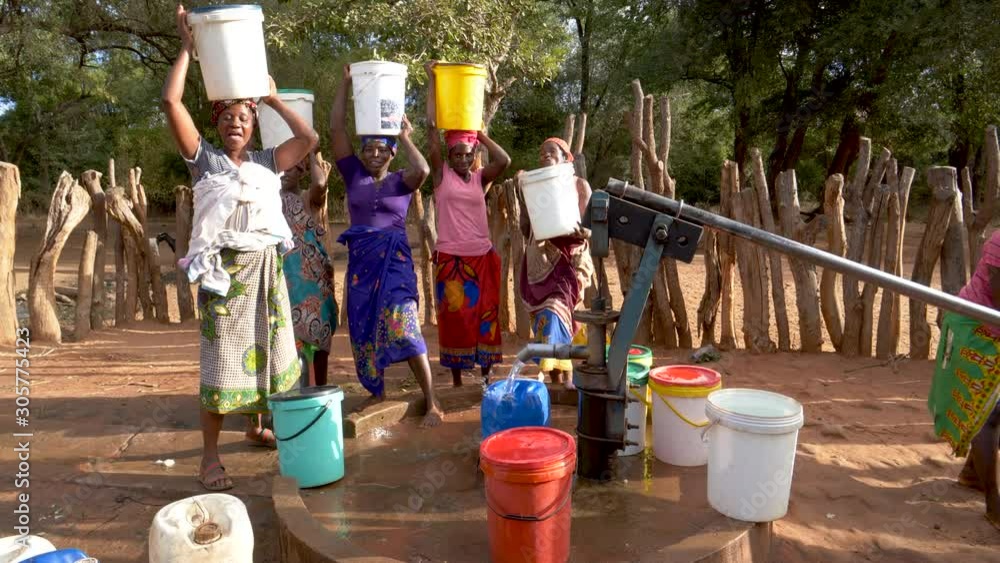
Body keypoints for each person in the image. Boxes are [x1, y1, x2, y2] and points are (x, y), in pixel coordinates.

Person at [162, 5, 318, 491]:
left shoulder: (268, 163)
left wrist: (270, 98)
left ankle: (256, 425)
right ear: (217, 124)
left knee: (270, 355)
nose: (235, 124)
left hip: (266, 273)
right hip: (225, 280)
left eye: (243, 118)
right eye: (227, 118)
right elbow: (171, 102)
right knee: (223, 362)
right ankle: (209, 458)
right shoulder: (205, 162)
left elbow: (309, 138)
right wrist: (188, 48)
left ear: (252, 127)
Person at [329, 64, 444, 428]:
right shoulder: (353, 175)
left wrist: (404, 136)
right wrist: (344, 84)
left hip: (394, 265)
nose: (374, 155)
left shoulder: (401, 181)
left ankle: (432, 401)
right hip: (362, 265)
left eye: (382, 149)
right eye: (369, 149)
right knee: (363, 326)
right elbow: (335, 129)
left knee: (405, 324)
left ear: (392, 153)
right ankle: (376, 392)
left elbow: (424, 171)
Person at [424, 61, 510, 388]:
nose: (461, 159)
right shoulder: (441, 176)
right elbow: (432, 128)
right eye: (456, 154)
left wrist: (480, 134)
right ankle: (459, 380)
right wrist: (433, 79)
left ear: (473, 153)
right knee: (455, 317)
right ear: (448, 155)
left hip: (481, 256)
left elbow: (504, 161)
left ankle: (487, 374)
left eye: (466, 154)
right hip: (450, 259)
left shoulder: (480, 179)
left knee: (486, 315)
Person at [929, 230, 1000, 530]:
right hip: (975, 329)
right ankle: (994, 505)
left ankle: (971, 473)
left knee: (990, 408)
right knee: (988, 415)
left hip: (991, 329)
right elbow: (997, 289)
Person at [518, 138, 594, 389]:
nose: (545, 156)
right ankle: (555, 378)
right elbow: (526, 228)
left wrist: (584, 233)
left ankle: (568, 377)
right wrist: (523, 195)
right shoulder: (534, 187)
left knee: (558, 310)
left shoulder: (579, 186)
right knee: (545, 314)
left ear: (565, 158)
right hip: (541, 260)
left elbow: (589, 226)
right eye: (542, 153)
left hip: (569, 258)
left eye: (551, 152)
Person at [278, 150, 338, 386]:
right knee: (285, 340)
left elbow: (321, 182)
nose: (283, 173)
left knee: (319, 337)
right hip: (283, 281)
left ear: (301, 170)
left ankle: (321, 391)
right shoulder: (266, 200)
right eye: (279, 168)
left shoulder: (306, 198)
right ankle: (288, 396)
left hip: (313, 282)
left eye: (290, 168)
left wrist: (311, 149)